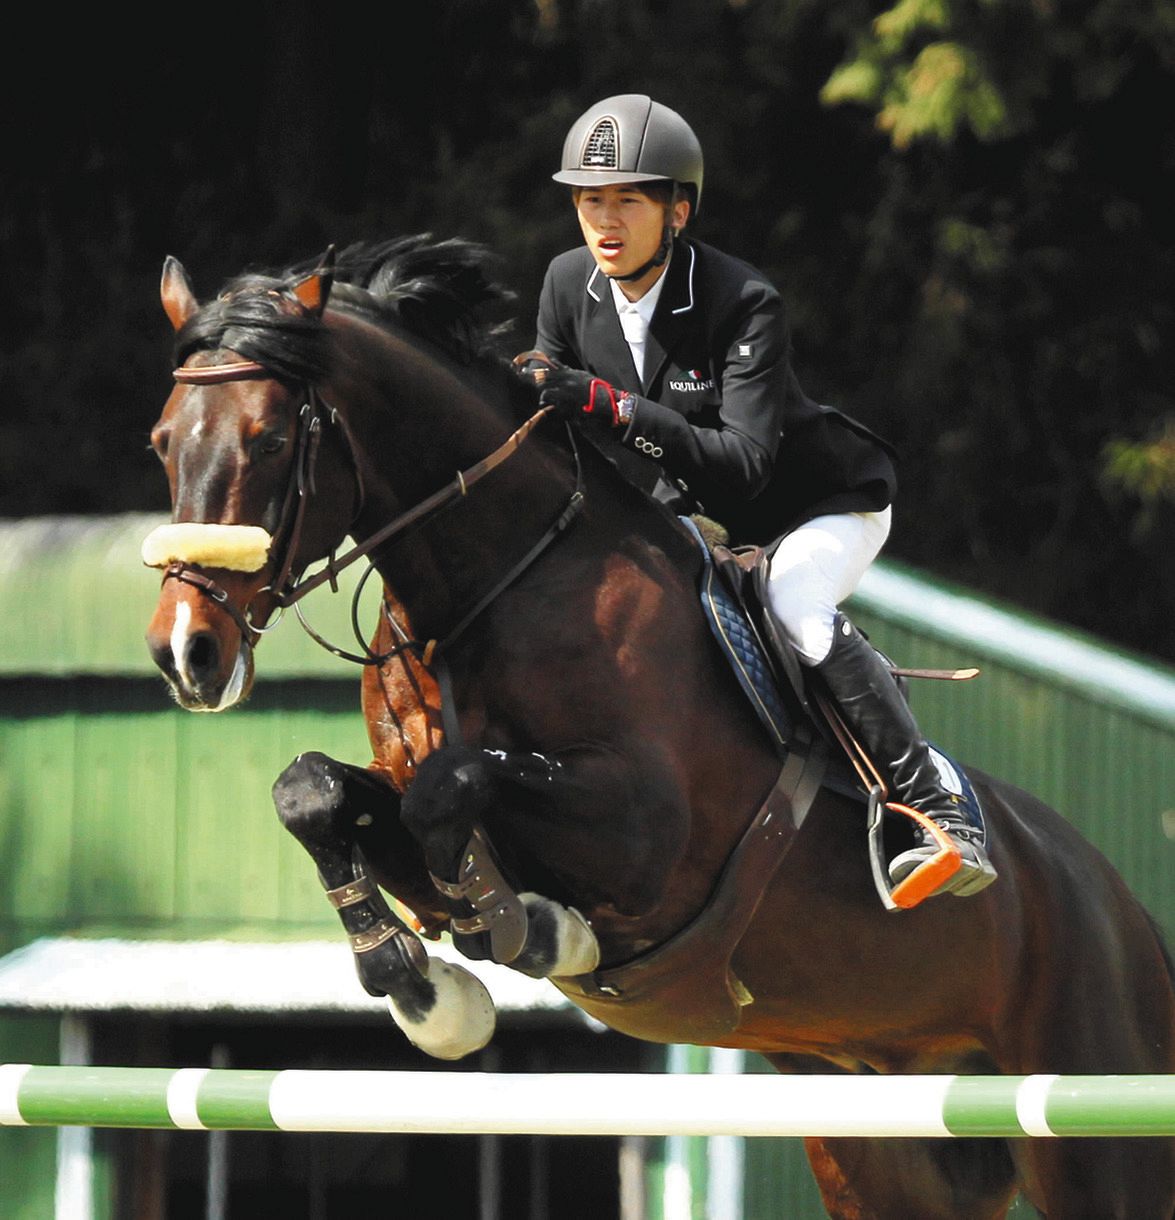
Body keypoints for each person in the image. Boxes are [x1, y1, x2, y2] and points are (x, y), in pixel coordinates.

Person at [519, 93, 996, 903]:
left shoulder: (742, 301)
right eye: (588, 200)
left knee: (791, 601)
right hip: (691, 519)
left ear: (677, 211)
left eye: (627, 200)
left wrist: (605, 403)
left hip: (817, 506)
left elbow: (740, 466)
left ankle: (933, 804)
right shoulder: (569, 285)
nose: (604, 221)